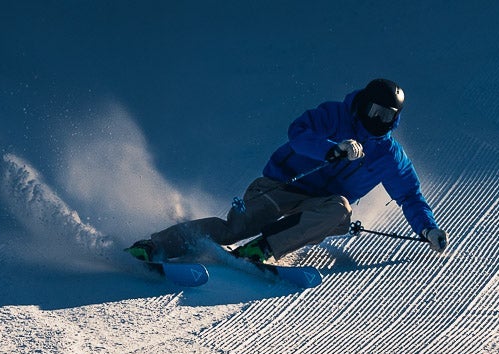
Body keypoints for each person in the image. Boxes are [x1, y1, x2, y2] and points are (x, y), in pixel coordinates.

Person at [129, 78, 448, 267]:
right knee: (235, 228)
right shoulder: (334, 115)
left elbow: (409, 196)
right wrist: (332, 148)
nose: (377, 119)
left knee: (340, 207)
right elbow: (298, 132)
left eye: (386, 115)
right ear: (362, 105)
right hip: (280, 185)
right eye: (373, 111)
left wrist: (427, 229)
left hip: (318, 207)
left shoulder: (389, 155)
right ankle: (155, 245)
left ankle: (261, 250)